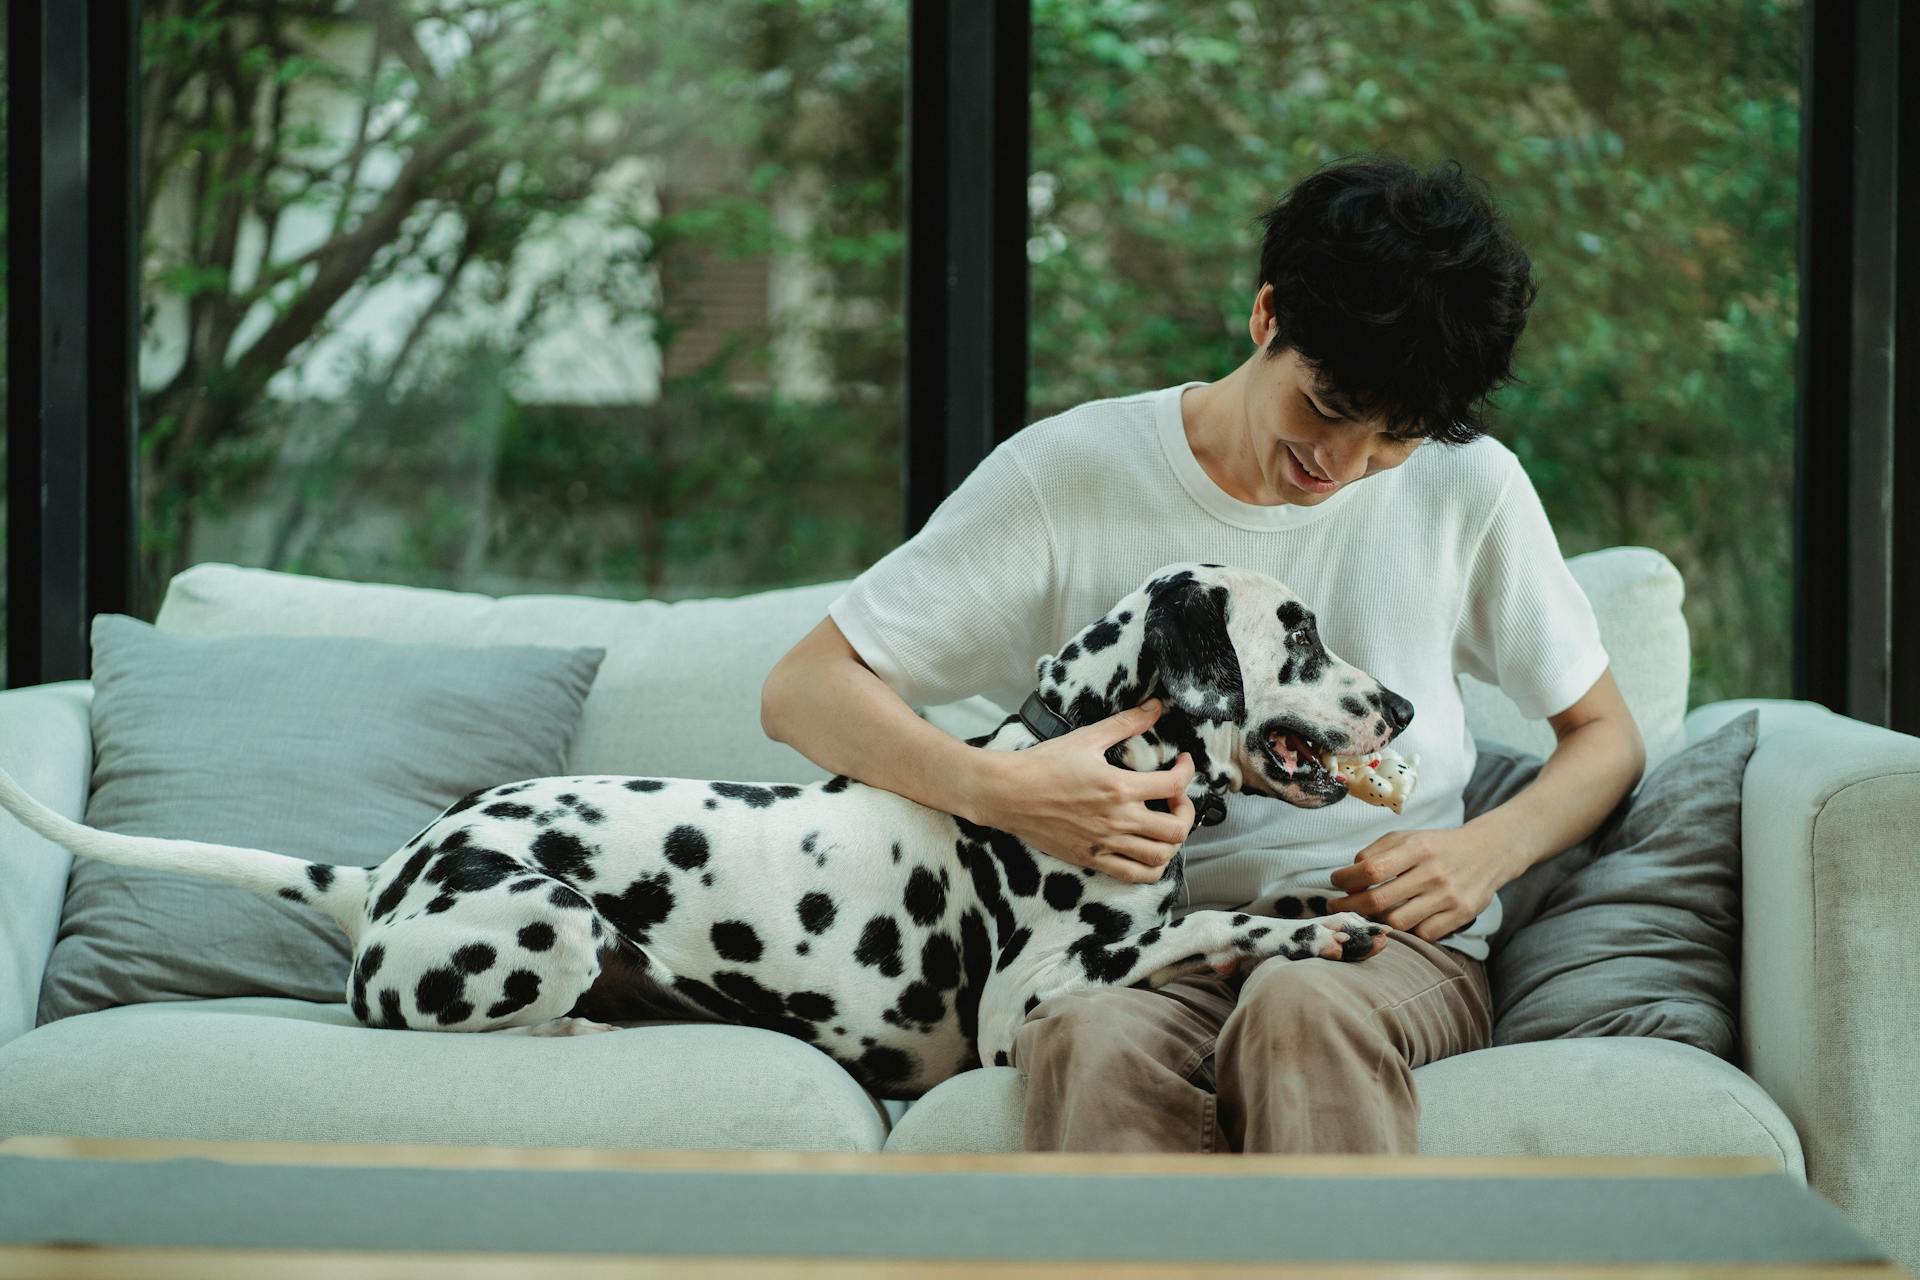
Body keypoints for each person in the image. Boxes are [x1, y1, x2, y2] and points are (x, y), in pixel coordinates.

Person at [759, 153, 1646, 1154]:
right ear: (1268, 317)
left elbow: (1604, 734)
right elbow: (805, 689)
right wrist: (999, 789)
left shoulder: (1471, 490)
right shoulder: (1071, 476)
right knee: (1086, 1036)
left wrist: (1488, 848)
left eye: (1392, 438)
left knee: (1299, 1005)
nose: (1340, 467)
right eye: (1323, 407)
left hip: (1377, 946)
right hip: (1131, 948)